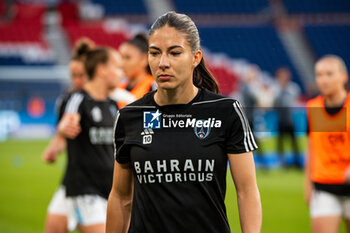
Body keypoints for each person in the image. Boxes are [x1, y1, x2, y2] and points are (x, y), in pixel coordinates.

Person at [106, 11, 262, 233]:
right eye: (154, 53)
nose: (162, 63)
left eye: (174, 53)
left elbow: (246, 191)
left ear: (195, 58)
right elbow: (120, 197)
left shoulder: (226, 112)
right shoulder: (129, 117)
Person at [44, 46, 120, 233]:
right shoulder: (78, 100)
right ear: (102, 70)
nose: (121, 72)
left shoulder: (112, 104)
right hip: (86, 189)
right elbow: (67, 124)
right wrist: (60, 134)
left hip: (107, 189)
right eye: (117, 67)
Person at [305, 55, 350, 233]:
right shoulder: (312, 107)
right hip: (324, 188)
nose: (323, 80)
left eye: (329, 74)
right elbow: (312, 149)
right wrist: (307, 186)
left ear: (343, 77)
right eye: (319, 75)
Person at [42, 38, 94, 164]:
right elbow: (62, 136)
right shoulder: (66, 100)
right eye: (73, 76)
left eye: (81, 75)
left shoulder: (107, 99)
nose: (76, 80)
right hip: (78, 170)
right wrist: (53, 150)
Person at [116, 33, 156, 108]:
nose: (122, 63)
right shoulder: (118, 88)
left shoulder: (154, 88)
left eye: (127, 58)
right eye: (120, 57)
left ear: (144, 59)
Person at [273, 67, 301, 168]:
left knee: (294, 142)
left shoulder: (293, 88)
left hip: (290, 120)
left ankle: (297, 162)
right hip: (281, 119)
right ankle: (282, 162)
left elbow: (295, 104)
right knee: (280, 143)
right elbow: (274, 104)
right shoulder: (276, 88)